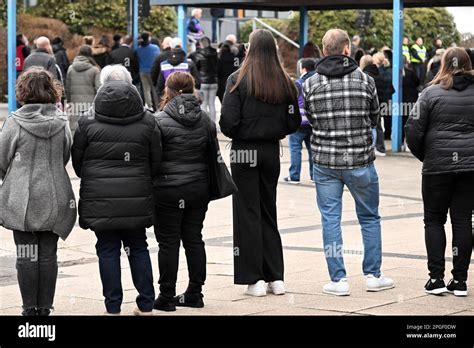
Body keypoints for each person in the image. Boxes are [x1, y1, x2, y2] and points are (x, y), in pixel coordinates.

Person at [304, 29, 394, 296]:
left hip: (325, 161)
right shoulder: (366, 81)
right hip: (360, 160)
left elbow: (308, 119)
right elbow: (374, 117)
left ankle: (339, 280)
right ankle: (373, 275)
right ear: (346, 50)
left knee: (330, 219)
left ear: (323, 50)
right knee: (369, 217)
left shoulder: (309, 84)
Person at [71, 67, 161, 315]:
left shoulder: (87, 122)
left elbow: (78, 164)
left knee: (107, 249)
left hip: (101, 200)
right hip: (137, 197)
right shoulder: (148, 121)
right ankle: (145, 304)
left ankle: (112, 307)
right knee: (139, 247)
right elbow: (156, 162)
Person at [220, 29, 301, 297]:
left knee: (247, 213)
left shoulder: (236, 80)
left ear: (249, 49)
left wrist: (247, 130)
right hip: (269, 153)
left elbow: (228, 123)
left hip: (244, 152)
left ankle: (253, 278)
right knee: (268, 211)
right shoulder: (286, 82)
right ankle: (275, 277)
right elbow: (293, 122)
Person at [0, 68, 76, 316]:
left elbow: (2, 160)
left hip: (21, 199)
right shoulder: (62, 121)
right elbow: (65, 155)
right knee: (48, 254)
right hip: (56, 195)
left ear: (23, 91)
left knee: (26, 255)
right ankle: (44, 308)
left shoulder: (14, 121)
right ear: (51, 91)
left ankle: (28, 308)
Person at [405, 48, 474, 297]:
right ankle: (460, 281)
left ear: (443, 64)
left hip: (437, 169)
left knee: (434, 220)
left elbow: (412, 130)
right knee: (463, 220)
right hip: (470, 169)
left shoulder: (430, 93)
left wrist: (428, 155)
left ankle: (436, 278)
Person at [152, 72, 214, 311]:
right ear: (192, 89)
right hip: (198, 189)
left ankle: (166, 296)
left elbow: (154, 160)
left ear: (168, 91)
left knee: (168, 243)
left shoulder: (158, 121)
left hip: (168, 191)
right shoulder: (206, 120)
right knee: (194, 239)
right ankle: (195, 293)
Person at [284, 58, 316, 184]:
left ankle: (294, 176)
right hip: (313, 122)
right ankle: (314, 176)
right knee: (312, 149)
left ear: (303, 68)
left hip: (298, 122)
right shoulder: (317, 82)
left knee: (295, 148)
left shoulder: (298, 83)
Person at [66, 45, 101, 134]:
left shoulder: (71, 68)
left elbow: (68, 88)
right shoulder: (95, 69)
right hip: (90, 105)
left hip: (75, 105)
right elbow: (99, 89)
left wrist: (69, 103)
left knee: (75, 130)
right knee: (90, 130)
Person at [361, 54, 386, 156]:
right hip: (380, 102)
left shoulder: (365, 75)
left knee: (371, 126)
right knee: (377, 126)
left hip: (368, 103)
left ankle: (373, 148)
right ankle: (380, 148)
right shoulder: (379, 73)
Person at [193, 36, 218, 122]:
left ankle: (205, 125)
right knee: (212, 104)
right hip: (214, 82)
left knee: (203, 104)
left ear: (201, 44)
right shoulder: (215, 53)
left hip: (203, 82)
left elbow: (196, 69)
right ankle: (214, 124)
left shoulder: (198, 54)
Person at [136, 32, 161, 110]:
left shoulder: (138, 49)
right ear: (149, 38)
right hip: (152, 71)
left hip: (142, 71)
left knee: (146, 89)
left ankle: (149, 106)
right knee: (154, 89)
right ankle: (157, 106)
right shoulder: (155, 48)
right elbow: (158, 58)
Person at [401, 56, 420, 149]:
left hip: (401, 101)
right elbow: (418, 81)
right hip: (411, 100)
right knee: (409, 122)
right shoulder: (411, 73)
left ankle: (401, 142)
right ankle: (407, 142)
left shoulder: (396, 73)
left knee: (402, 121)